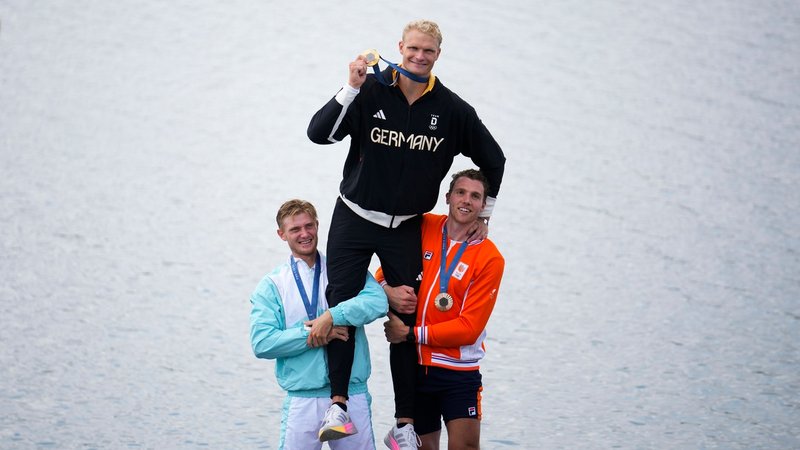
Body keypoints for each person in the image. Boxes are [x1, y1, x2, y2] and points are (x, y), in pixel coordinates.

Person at [307, 19, 506, 448]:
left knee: (407, 314)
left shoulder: (452, 110)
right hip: (354, 217)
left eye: (428, 51)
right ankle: (338, 405)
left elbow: (495, 159)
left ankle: (404, 423)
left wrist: (483, 215)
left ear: (437, 55)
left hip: (406, 227)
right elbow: (318, 134)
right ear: (400, 47)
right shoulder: (371, 90)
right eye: (413, 49)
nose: (419, 57)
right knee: (339, 301)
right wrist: (351, 86)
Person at [380, 169, 505, 450]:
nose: (466, 200)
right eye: (460, 192)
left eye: (475, 196)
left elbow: (468, 329)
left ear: (483, 206)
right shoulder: (424, 226)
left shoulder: (490, 258)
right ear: (447, 197)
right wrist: (389, 293)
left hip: (458, 372)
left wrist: (410, 333)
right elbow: (382, 274)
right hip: (416, 368)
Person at [249, 199, 388, 449]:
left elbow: (378, 302)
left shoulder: (343, 267)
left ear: (317, 226)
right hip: (303, 398)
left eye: (309, 226)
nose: (304, 234)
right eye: (295, 229)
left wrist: (333, 316)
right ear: (281, 235)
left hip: (351, 393)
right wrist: (313, 334)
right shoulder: (272, 285)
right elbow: (262, 343)